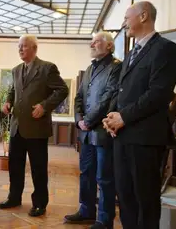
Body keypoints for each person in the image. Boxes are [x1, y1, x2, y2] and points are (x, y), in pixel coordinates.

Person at [103, 1, 176, 229]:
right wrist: (111, 118)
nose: (124, 23)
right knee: (125, 198)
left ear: (143, 16)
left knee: (145, 201)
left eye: (127, 17)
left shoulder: (166, 49)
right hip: (122, 136)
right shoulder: (130, 53)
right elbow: (121, 90)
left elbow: (159, 94)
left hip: (146, 138)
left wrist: (123, 117)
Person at [0, 34, 69, 217]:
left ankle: (39, 203)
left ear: (34, 48)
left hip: (37, 128)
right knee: (15, 166)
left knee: (38, 168)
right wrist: (7, 101)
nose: (20, 49)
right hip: (17, 127)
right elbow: (14, 90)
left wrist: (45, 106)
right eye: (19, 46)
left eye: (24, 46)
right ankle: (14, 198)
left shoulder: (47, 68)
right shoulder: (15, 70)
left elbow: (62, 89)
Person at [64, 32, 122, 229]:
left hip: (103, 131)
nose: (92, 44)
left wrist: (88, 120)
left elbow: (109, 97)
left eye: (97, 41)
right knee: (85, 173)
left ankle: (105, 220)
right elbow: (78, 97)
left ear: (109, 46)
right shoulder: (89, 69)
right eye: (92, 41)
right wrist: (79, 119)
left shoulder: (116, 67)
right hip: (86, 132)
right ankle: (86, 210)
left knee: (104, 177)